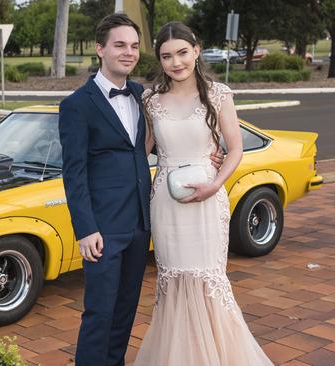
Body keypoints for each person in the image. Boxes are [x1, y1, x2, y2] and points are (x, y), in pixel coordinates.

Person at [58, 14, 224, 366]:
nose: (128, 53)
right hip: (102, 229)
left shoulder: (143, 96)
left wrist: (209, 151)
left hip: (141, 224)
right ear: (100, 49)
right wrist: (85, 229)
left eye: (134, 46)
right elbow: (74, 173)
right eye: (119, 45)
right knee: (99, 313)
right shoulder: (76, 105)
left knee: (125, 314)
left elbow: (156, 142)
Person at [134, 22, 274, 365]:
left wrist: (216, 183)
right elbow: (142, 150)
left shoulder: (219, 94)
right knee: (172, 278)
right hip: (166, 203)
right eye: (166, 56)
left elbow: (236, 149)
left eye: (182, 52)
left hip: (209, 202)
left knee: (207, 278)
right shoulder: (150, 99)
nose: (175, 62)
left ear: (197, 50)